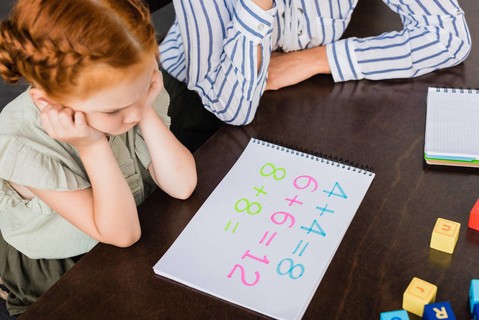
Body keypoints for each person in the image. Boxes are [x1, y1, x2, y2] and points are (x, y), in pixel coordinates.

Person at [0, 0, 197, 316]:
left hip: (129, 218)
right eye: (115, 110)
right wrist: (92, 146)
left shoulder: (128, 99)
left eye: (145, 86)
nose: (132, 114)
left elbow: (183, 185)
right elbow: (122, 234)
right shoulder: (23, 143)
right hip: (59, 260)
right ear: (50, 102)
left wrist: (145, 106)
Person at [159, 0, 471, 151]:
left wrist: (317, 60)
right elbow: (229, 106)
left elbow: (447, 37)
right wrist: (258, 6)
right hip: (193, 104)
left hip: (297, 101)